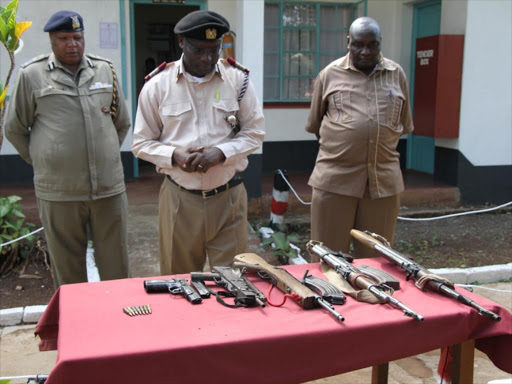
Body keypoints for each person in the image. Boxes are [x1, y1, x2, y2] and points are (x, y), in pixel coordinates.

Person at [131, 10, 265, 275]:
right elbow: (141, 142)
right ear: (181, 42)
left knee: (234, 282)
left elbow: (255, 132)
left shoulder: (238, 80)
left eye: (214, 50)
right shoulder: (157, 86)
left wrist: (221, 153)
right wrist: (174, 155)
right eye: (198, 50)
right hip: (180, 200)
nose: (207, 58)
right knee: (179, 282)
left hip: (229, 197)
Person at [5, 11, 131, 288]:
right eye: (64, 38)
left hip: (108, 190)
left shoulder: (104, 69)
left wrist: (105, 154)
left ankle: (121, 326)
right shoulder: (31, 75)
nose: (72, 44)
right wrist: (43, 160)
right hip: (59, 192)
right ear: (52, 40)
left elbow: (120, 123)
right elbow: (14, 129)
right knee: (68, 271)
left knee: (117, 268)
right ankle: (78, 328)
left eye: (77, 37)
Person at [305, 17, 413, 260]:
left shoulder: (397, 75)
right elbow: (315, 125)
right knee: (328, 261)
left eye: (372, 45)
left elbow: (404, 124)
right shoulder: (329, 75)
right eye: (358, 44)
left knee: (378, 262)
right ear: (348, 43)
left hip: (382, 183)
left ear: (380, 43)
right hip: (335, 182)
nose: (365, 51)